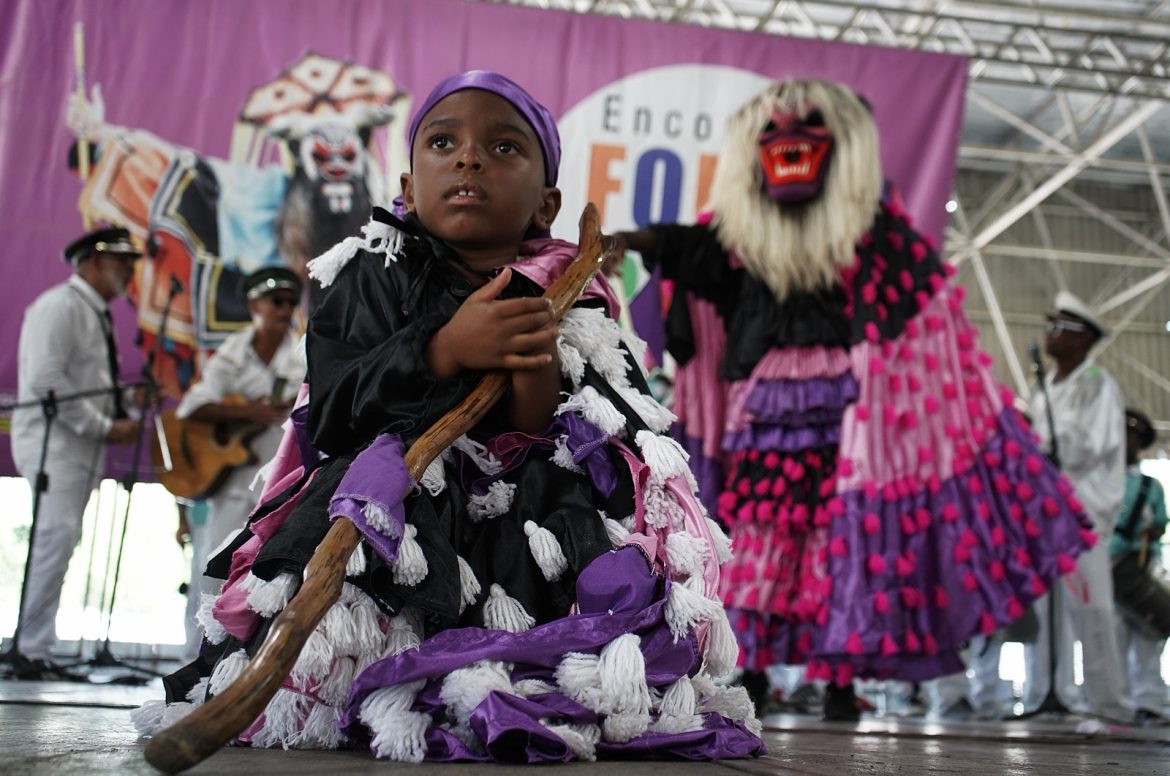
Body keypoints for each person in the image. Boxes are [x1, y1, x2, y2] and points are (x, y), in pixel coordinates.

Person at [134, 71, 764, 762]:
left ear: (544, 202)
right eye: (444, 143)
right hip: (390, 506)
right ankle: (354, 675)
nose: (469, 159)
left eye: (502, 149)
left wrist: (532, 367)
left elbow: (567, 434)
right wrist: (438, 350)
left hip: (519, 523)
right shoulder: (372, 271)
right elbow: (336, 410)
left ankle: (505, 671)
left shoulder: (570, 293)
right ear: (408, 188)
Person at [609, 79, 1094, 722]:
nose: (791, 140)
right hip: (768, 406)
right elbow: (688, 248)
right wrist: (626, 240)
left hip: (848, 409)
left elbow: (916, 296)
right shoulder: (743, 245)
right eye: (774, 129)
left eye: (812, 125)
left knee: (839, 535)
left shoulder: (869, 238)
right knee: (765, 530)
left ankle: (835, 680)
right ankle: (751, 667)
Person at [9, 226, 142, 680]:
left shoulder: (94, 313)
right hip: (55, 443)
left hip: (79, 445)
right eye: (122, 262)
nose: (128, 271)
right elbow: (49, 383)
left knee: (62, 539)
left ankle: (37, 645)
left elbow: (84, 383)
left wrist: (124, 403)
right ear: (93, 261)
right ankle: (28, 648)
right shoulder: (59, 306)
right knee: (54, 537)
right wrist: (105, 424)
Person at [173, 266, 306, 660]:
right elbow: (192, 408)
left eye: (289, 302)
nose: (283, 309)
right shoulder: (233, 352)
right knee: (212, 566)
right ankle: (196, 657)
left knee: (268, 576)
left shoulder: (301, 357)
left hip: (281, 487)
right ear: (254, 304)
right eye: (274, 301)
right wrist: (248, 412)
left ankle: (250, 661)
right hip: (233, 480)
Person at [1009, 291, 1129, 721]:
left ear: (1081, 339)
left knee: (1090, 609)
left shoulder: (1096, 382)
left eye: (1058, 327)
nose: (1049, 334)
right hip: (1044, 517)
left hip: (1083, 516)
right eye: (1049, 325)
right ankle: (1047, 696)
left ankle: (1107, 705)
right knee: (1045, 615)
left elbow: (1085, 448)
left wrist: (1035, 445)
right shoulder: (1043, 392)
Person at [1112, 408, 1167, 724]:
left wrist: (1148, 532)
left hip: (1138, 569)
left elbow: (1160, 523)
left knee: (1148, 634)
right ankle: (1118, 701)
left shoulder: (1151, 486)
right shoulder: (1100, 481)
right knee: (1113, 637)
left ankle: (1150, 701)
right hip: (1108, 573)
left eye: (1131, 437)